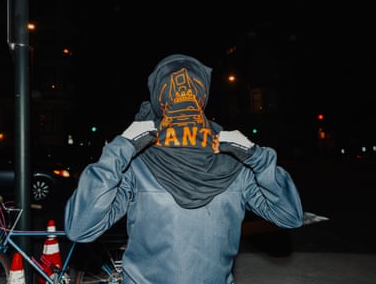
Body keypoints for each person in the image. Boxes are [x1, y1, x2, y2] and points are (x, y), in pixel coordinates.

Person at [64, 54, 304, 284]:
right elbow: (80, 228)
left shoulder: (233, 161)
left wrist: (257, 157)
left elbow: (289, 216)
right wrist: (121, 149)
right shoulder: (138, 160)